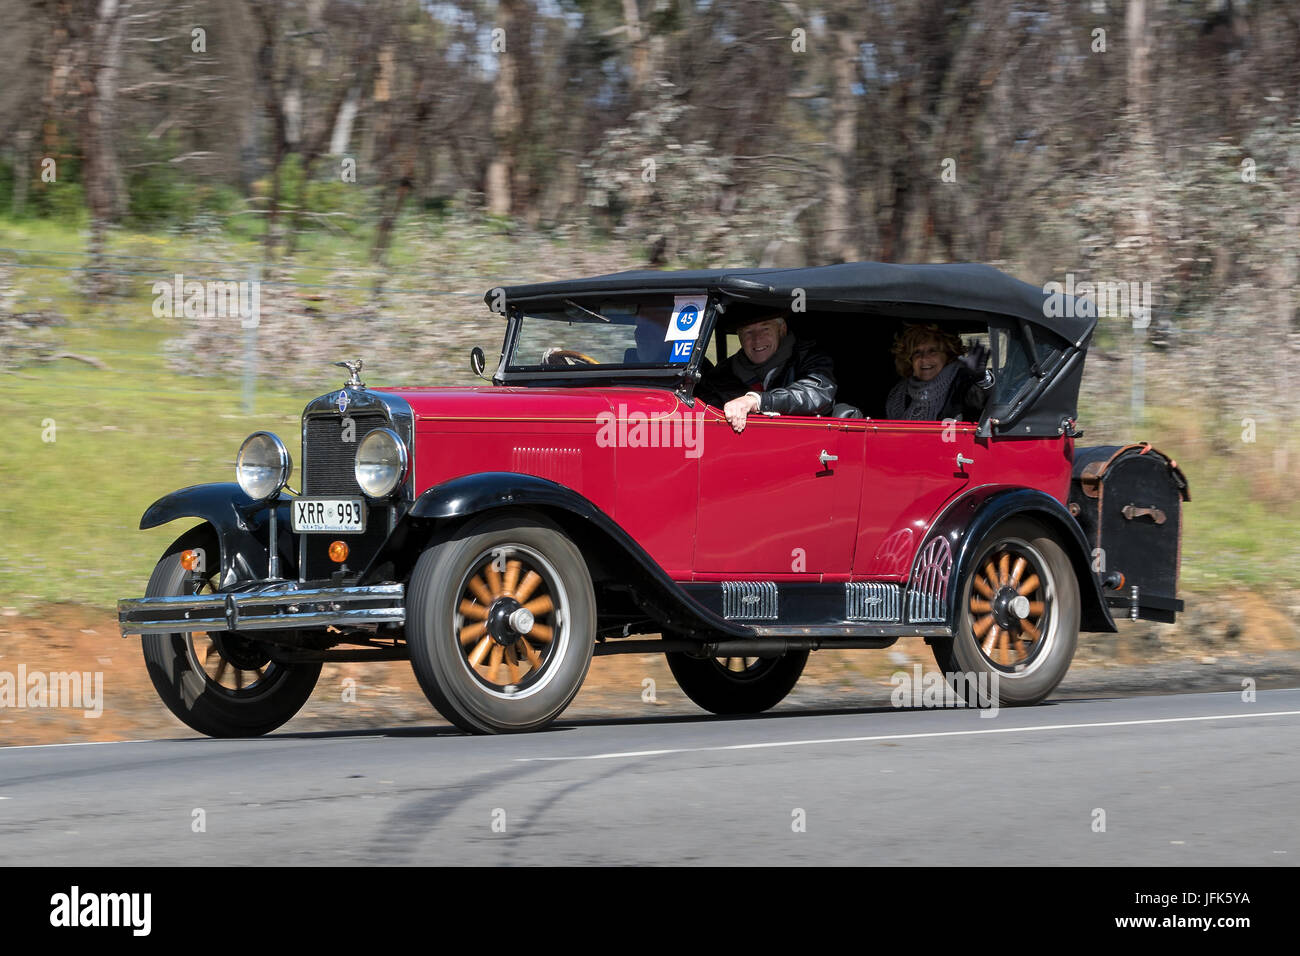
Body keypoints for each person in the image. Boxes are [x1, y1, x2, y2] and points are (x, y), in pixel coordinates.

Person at [698, 312, 836, 432]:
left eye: (765, 329)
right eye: (748, 331)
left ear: (781, 330)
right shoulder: (722, 374)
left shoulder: (809, 358)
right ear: (739, 337)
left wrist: (758, 400)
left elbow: (816, 393)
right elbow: (701, 406)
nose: (757, 339)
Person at [884, 323, 989, 422]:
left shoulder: (961, 382)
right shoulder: (900, 392)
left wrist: (980, 379)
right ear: (909, 358)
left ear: (948, 355)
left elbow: (984, 402)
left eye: (932, 351)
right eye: (917, 352)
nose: (924, 358)